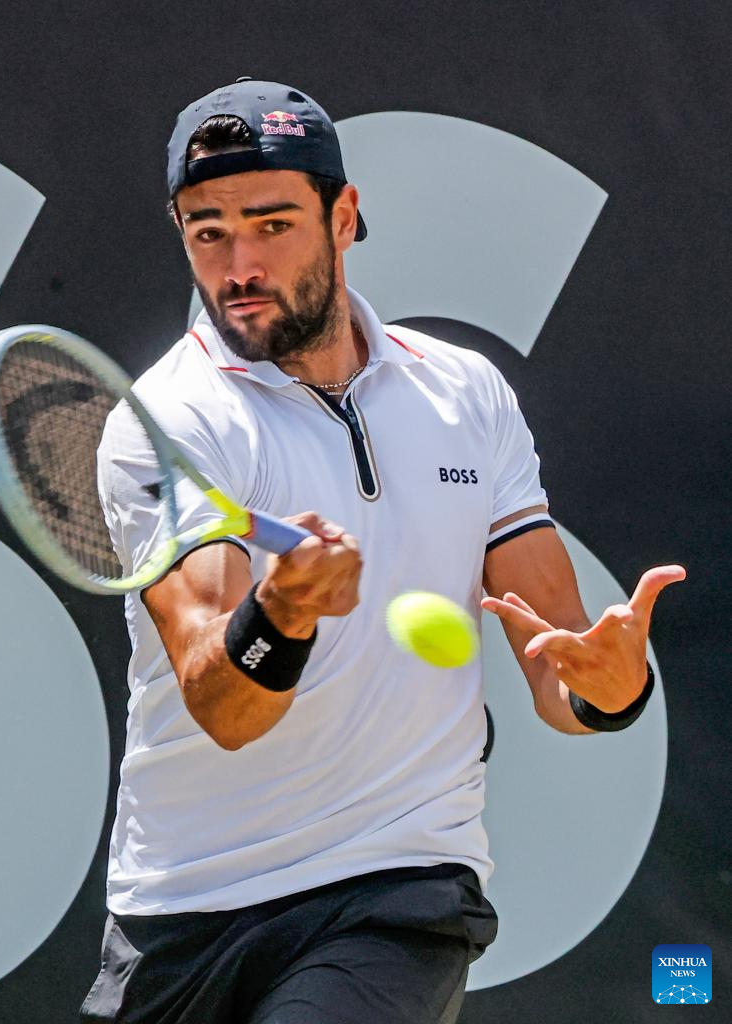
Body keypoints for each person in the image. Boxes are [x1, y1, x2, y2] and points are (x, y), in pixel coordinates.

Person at [80, 78, 685, 1024]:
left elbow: (561, 674)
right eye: (208, 231)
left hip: (396, 884)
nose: (239, 263)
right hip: (182, 910)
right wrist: (281, 614)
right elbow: (223, 705)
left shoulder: (467, 394)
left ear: (345, 216)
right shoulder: (168, 423)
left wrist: (610, 686)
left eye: (272, 224)